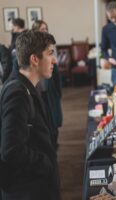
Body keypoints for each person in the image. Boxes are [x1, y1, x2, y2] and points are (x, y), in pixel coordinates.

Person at [0, 30, 60, 199]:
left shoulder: (26, 85)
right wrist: (45, 163)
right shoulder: (18, 93)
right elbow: (11, 149)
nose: (54, 60)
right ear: (34, 59)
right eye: (50, 54)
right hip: (28, 190)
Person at [32, 20, 63, 150]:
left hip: (50, 90)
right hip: (39, 91)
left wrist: (58, 91)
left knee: (54, 121)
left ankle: (54, 145)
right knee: (43, 123)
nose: (45, 31)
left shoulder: (50, 46)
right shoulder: (32, 48)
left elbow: (55, 72)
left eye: (46, 29)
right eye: (42, 29)